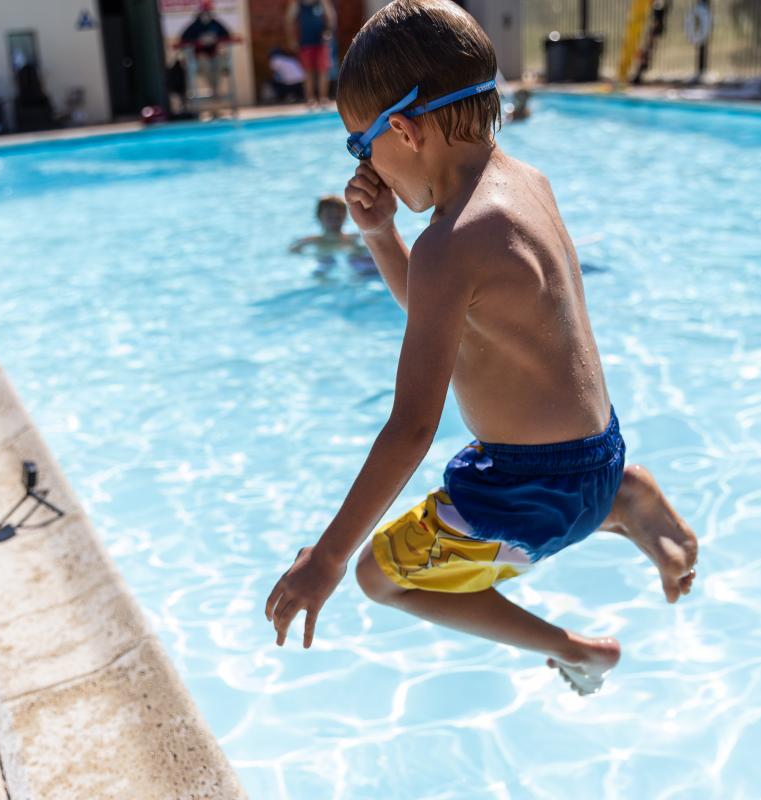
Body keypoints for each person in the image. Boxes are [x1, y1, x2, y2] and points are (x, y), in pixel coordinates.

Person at [264, 0, 698, 696]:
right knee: (482, 504)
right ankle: (621, 495)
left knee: (382, 577)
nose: (364, 166)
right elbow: (443, 315)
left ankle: (577, 650)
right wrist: (379, 234)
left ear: (403, 131)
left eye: (357, 146)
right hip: (596, 454)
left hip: (530, 493)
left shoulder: (450, 243)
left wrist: (330, 556)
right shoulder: (528, 185)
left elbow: (412, 428)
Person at [289, 195, 376, 276]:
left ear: (345, 216)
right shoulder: (311, 241)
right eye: (330, 217)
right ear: (319, 216)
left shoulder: (354, 238)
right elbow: (293, 252)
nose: (334, 221)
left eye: (338, 217)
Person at [285, 0, 337, 108]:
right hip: (305, 42)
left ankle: (323, 98)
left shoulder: (322, 2)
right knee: (308, 72)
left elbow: (331, 16)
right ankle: (310, 99)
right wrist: (292, 39)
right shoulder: (297, 3)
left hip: (321, 41)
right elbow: (289, 20)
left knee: (323, 70)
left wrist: (329, 32)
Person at [178, 1, 233, 100]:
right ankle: (215, 91)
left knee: (219, 63)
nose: (206, 13)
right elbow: (183, 39)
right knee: (205, 64)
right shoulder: (195, 25)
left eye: (208, 11)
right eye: (204, 11)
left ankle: (215, 91)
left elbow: (227, 35)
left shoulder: (215, 23)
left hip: (214, 55)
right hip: (199, 56)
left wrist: (214, 39)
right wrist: (199, 40)